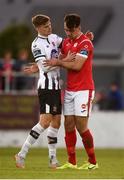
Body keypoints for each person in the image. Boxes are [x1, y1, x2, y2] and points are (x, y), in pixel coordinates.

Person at [14, 14, 75, 169]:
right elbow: (46, 67)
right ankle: (21, 154)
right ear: (38, 28)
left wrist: (83, 38)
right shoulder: (36, 45)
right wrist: (65, 60)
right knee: (45, 121)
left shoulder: (54, 37)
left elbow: (69, 43)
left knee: (56, 122)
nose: (49, 27)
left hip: (55, 87)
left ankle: (52, 159)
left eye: (50, 24)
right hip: (46, 87)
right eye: (46, 26)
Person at [43, 13, 98, 170]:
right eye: (66, 30)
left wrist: (59, 62)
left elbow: (77, 66)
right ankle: (72, 162)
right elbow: (58, 56)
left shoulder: (86, 44)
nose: (67, 33)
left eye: (70, 30)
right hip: (70, 90)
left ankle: (93, 161)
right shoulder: (67, 42)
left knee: (81, 127)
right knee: (68, 125)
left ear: (78, 28)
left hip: (84, 89)